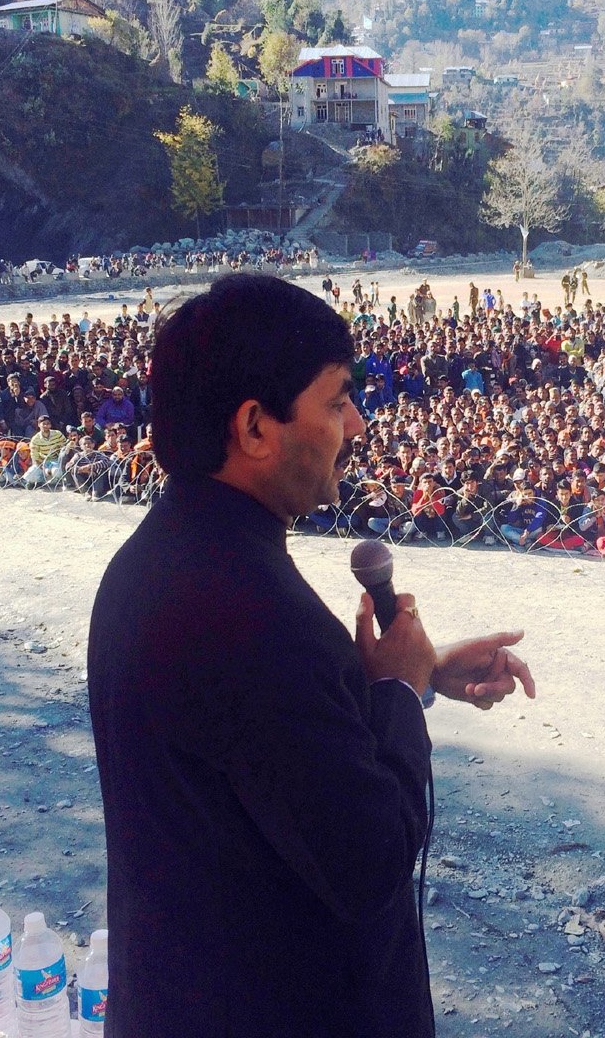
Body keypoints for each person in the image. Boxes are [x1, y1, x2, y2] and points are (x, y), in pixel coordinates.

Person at [87, 275, 534, 1037]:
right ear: (256, 427)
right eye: (335, 401)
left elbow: (264, 752)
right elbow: (366, 861)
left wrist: (410, 678)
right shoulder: (239, 610)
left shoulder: (177, 556)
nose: (357, 422)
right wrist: (393, 689)